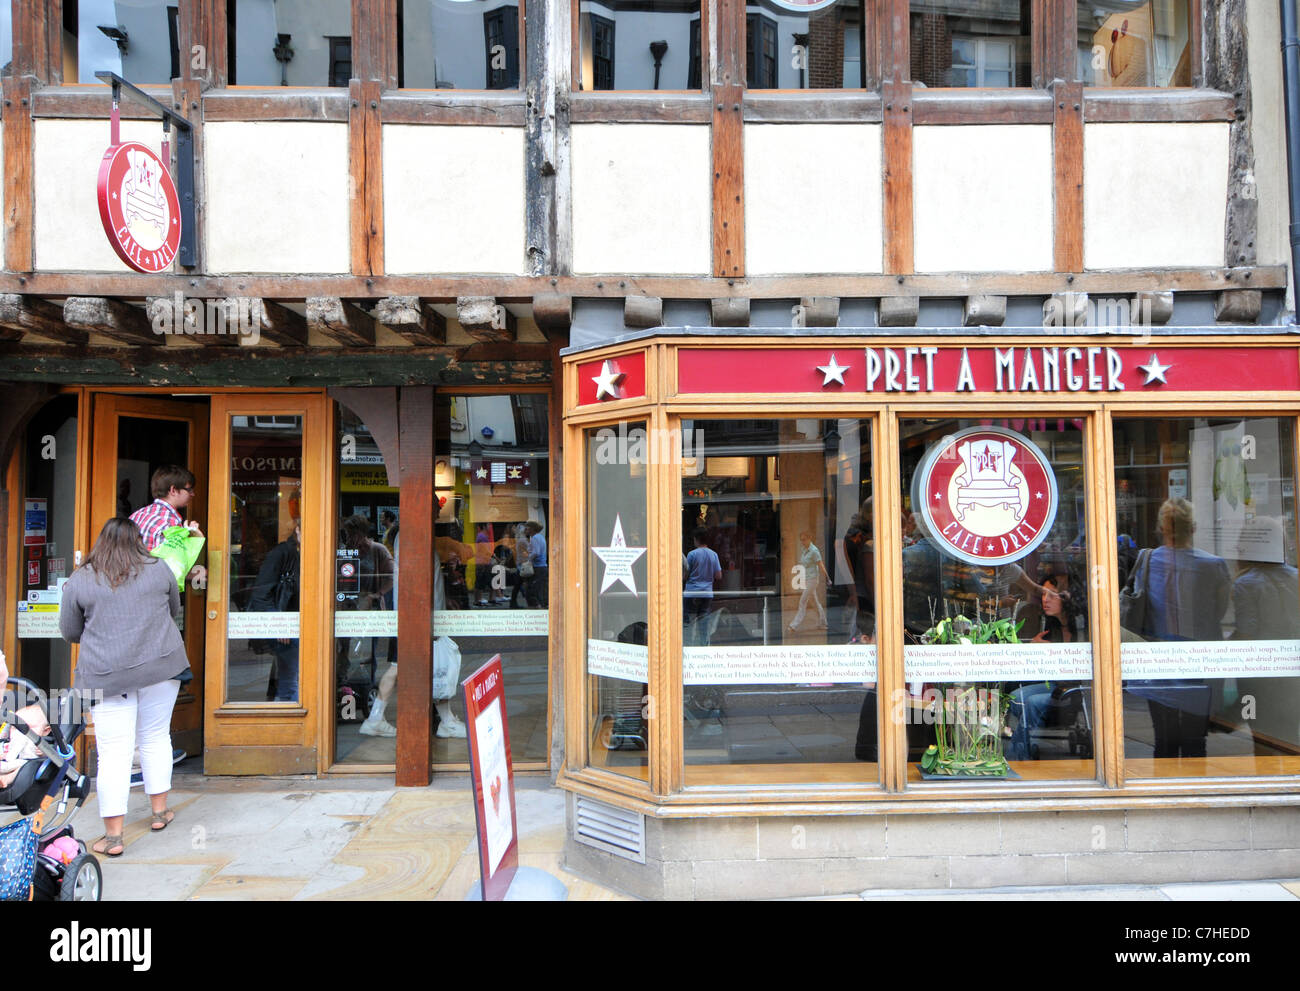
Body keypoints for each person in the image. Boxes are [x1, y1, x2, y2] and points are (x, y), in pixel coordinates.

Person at [60, 518, 189, 857]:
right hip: (160, 666)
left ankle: (113, 836)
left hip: (105, 675)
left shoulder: (81, 580)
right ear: (138, 540)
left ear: (100, 542)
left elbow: (70, 632)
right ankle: (159, 813)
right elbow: (174, 610)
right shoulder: (159, 569)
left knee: (114, 754)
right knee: (156, 736)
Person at [1132, 497, 1230, 759]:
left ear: (1160, 529)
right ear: (1194, 528)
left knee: (1163, 741)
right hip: (1198, 664)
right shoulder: (1214, 565)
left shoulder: (1148, 561)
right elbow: (1218, 613)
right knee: (1195, 740)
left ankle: (1162, 794)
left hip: (1158, 662)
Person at [1008, 576, 1084, 760]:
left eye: (1052, 595)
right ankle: (1026, 743)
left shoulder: (1082, 627)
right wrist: (1035, 648)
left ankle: (1018, 755)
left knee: (1033, 703)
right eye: (1043, 594)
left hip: (1072, 689)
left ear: (1067, 598)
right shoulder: (1053, 626)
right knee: (1015, 697)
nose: (1045, 599)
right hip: (1054, 684)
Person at [345, 515, 397, 737]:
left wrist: (378, 594)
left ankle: (366, 689)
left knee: (369, 651)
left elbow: (391, 575)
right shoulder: (345, 550)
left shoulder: (377, 550)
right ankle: (348, 689)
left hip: (371, 608)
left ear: (363, 533)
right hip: (349, 608)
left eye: (354, 534)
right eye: (348, 535)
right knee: (348, 649)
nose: (351, 539)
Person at [128, 464, 206, 586]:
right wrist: (194, 539)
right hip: (150, 591)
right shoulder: (169, 522)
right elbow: (172, 570)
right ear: (173, 490)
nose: (193, 494)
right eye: (189, 489)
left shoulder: (138, 514)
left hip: (127, 587)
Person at [249, 520, 301, 703]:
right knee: (292, 680)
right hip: (285, 627)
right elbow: (260, 594)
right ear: (297, 530)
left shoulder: (306, 553)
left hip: (300, 624)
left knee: (293, 677)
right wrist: (279, 625)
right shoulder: (281, 554)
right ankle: (290, 721)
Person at [684, 527, 722, 646]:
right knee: (704, 624)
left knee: (688, 623)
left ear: (696, 539)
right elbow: (718, 575)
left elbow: (685, 575)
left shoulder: (692, 554)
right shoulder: (714, 555)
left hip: (692, 593)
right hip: (707, 594)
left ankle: (688, 647)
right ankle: (703, 648)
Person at [788, 531, 829, 632]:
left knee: (802, 601)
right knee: (815, 602)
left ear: (810, 539)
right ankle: (823, 623)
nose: (802, 542)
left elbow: (820, 564)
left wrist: (828, 577)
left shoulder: (814, 551)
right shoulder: (804, 549)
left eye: (804, 539)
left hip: (813, 580)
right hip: (806, 579)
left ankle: (793, 625)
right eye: (801, 540)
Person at [523, 520, 548, 607]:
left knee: (533, 588)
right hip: (542, 566)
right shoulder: (540, 537)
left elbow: (536, 552)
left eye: (528, 527)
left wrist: (528, 560)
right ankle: (542, 604)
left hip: (537, 567)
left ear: (532, 529)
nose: (526, 529)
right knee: (540, 587)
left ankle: (537, 605)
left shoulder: (535, 538)